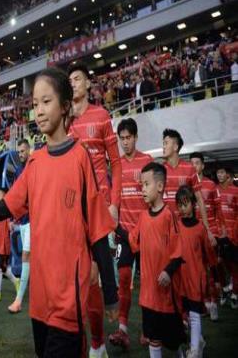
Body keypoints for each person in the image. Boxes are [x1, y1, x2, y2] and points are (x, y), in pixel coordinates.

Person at [0, 68, 118, 357]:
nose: (39, 111)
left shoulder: (80, 158)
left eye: (46, 102)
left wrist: (111, 294)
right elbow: (7, 206)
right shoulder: (34, 162)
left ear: (65, 106)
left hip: (69, 296)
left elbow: (97, 229)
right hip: (40, 298)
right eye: (34, 104)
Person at [68, 64, 121, 358]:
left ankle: (98, 344)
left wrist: (114, 204)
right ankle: (92, 342)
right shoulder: (64, 121)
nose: (73, 83)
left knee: (93, 276)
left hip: (99, 209)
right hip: (73, 211)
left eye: (77, 78)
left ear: (88, 84)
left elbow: (116, 163)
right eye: (69, 80)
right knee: (79, 280)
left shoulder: (101, 116)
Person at [115, 162, 186, 357]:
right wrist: (116, 227)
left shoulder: (169, 216)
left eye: (146, 184)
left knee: (173, 342)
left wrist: (168, 272)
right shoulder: (143, 217)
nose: (142, 189)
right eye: (141, 185)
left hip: (166, 296)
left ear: (160, 186)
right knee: (153, 339)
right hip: (148, 296)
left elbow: (178, 252)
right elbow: (132, 240)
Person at [108, 118, 153, 349]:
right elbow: (114, 199)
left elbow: (152, 199)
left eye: (128, 138)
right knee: (124, 279)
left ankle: (148, 330)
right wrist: (117, 228)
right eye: (122, 138)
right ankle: (123, 330)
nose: (125, 142)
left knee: (148, 283)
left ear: (135, 137)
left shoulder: (147, 161)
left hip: (145, 233)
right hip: (124, 234)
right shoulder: (115, 165)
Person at [176, 185, 217, 358]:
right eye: (180, 204)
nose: (182, 208)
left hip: (195, 278)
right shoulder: (176, 226)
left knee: (194, 314)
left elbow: (209, 255)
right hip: (180, 279)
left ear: (193, 204)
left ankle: (194, 351)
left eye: (185, 204)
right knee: (185, 314)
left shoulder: (200, 228)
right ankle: (198, 341)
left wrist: (215, 278)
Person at [162, 129, 215, 246]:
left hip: (187, 226)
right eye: (163, 143)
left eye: (166, 143)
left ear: (175, 147)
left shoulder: (189, 168)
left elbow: (199, 199)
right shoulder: (160, 170)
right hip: (166, 228)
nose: (163, 146)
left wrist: (207, 229)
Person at [189, 152, 225, 320]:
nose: (194, 166)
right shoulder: (188, 185)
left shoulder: (211, 185)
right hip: (194, 233)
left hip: (210, 232)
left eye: (197, 163)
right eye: (191, 163)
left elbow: (218, 210)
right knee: (199, 270)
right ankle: (204, 302)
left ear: (203, 165)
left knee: (211, 268)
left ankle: (213, 302)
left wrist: (219, 229)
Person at [8, 139, 31, 314]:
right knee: (32, 259)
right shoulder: (17, 171)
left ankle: (19, 300)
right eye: (19, 152)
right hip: (23, 221)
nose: (21, 154)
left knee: (26, 255)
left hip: (34, 220)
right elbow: (15, 196)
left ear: (29, 150)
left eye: (23, 151)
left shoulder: (34, 167)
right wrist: (12, 218)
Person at [215, 164, 238, 309]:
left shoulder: (236, 191)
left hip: (232, 236)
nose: (219, 175)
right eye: (218, 172)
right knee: (218, 263)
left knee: (234, 266)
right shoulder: (215, 189)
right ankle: (225, 289)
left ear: (228, 174)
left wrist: (234, 233)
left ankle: (234, 294)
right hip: (218, 235)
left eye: (222, 172)